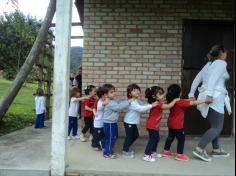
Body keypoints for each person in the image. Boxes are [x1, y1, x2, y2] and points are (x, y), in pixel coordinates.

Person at [188, 45, 231, 162]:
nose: (226, 55)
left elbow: (197, 78)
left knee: (214, 126)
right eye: (225, 53)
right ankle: (199, 149)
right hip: (215, 98)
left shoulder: (208, 64)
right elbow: (212, 79)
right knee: (217, 127)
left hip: (210, 96)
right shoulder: (221, 63)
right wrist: (210, 95)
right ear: (221, 53)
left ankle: (216, 149)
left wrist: (191, 93)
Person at [162, 84, 206, 161]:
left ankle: (166, 151)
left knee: (170, 137)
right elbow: (194, 103)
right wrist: (205, 100)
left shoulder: (172, 100)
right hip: (178, 125)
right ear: (179, 93)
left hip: (171, 123)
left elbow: (185, 101)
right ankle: (179, 155)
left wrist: (189, 99)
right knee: (181, 138)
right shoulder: (180, 102)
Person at [143, 86, 180, 162]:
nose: (162, 96)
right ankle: (146, 155)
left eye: (162, 94)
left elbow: (164, 104)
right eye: (160, 94)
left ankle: (153, 152)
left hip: (154, 125)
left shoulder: (158, 102)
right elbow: (168, 106)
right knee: (152, 140)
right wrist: (175, 100)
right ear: (154, 96)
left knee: (156, 139)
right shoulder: (157, 104)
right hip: (152, 125)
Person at [122, 84, 158, 159]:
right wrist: (152, 106)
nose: (137, 91)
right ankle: (125, 151)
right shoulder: (132, 102)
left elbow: (144, 105)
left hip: (132, 122)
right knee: (129, 137)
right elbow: (140, 109)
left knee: (135, 135)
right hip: (129, 122)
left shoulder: (137, 100)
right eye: (134, 90)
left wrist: (151, 103)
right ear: (129, 93)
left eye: (138, 89)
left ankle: (126, 147)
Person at [102, 84, 130, 159]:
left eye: (114, 91)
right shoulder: (109, 102)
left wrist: (126, 100)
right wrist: (129, 101)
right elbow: (118, 107)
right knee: (111, 138)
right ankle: (107, 153)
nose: (114, 93)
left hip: (112, 122)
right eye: (111, 92)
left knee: (112, 137)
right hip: (109, 123)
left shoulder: (112, 100)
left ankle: (105, 147)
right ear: (105, 94)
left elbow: (119, 101)